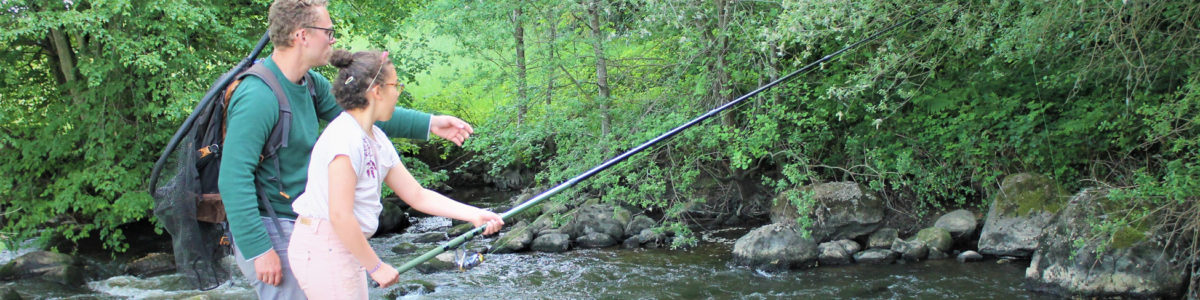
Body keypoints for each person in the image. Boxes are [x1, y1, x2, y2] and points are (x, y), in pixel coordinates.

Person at [218, 0, 475, 298]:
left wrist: (430, 123)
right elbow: (233, 179)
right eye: (328, 31)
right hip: (271, 226)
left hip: (305, 224)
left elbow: (364, 107)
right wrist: (259, 249)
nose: (333, 39)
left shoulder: (309, 83)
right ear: (302, 36)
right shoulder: (257, 96)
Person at [287, 49, 504, 299]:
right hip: (324, 248)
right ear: (376, 91)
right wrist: (376, 266)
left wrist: (475, 215)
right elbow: (339, 215)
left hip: (344, 247)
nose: (398, 92)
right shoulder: (344, 140)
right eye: (395, 85)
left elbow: (417, 195)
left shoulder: (375, 137)